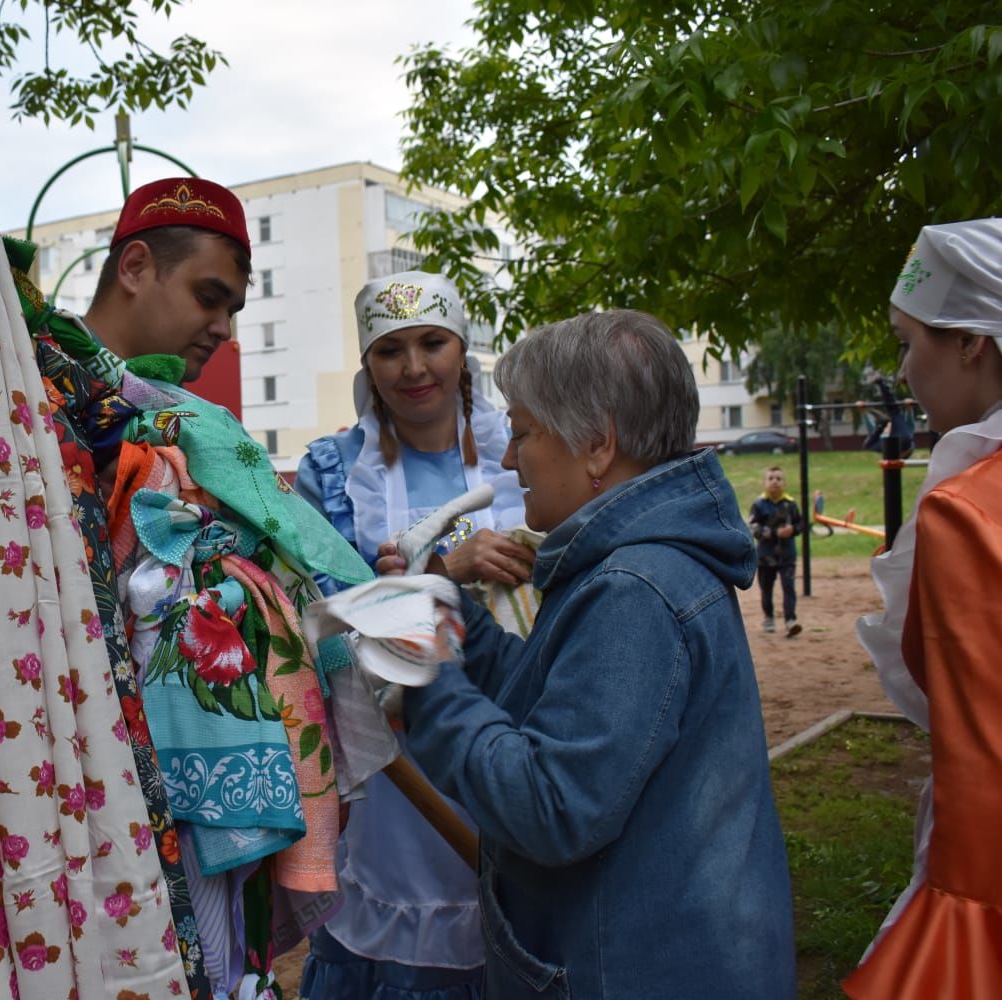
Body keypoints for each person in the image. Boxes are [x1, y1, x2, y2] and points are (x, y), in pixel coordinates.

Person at [0, 70, 372, 1000]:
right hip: (64, 761)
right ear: (135, 265)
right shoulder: (17, 396)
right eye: (209, 295)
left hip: (204, 781)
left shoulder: (186, 421)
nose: (221, 325)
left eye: (234, 308)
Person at [379, 310, 796, 1000]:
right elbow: (561, 701)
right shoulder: (638, 567)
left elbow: (552, 805)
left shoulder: (634, 590)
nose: (510, 460)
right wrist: (453, 626)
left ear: (597, 445)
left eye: (521, 434)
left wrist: (426, 674)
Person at [293, 271, 532, 999]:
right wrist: (442, 572)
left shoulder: (525, 451)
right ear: (369, 365)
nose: (415, 367)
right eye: (391, 350)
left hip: (516, 723)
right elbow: (321, 617)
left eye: (433, 343)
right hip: (390, 760)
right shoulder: (332, 471)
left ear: (464, 351)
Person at [844, 219, 1002, 999]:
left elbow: (933, 691)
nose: (905, 370)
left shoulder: (966, 512)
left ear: (972, 342)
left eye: (909, 343)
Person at [749, 466, 803, 637]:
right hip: (765, 556)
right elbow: (753, 528)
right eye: (771, 478)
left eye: (779, 478)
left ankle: (790, 620)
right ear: (764, 483)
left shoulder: (791, 504)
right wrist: (773, 533)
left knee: (789, 587)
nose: (774, 481)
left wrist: (792, 529)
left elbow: (800, 525)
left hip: (787, 555)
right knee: (766, 588)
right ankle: (769, 617)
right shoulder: (759, 505)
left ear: (784, 483)